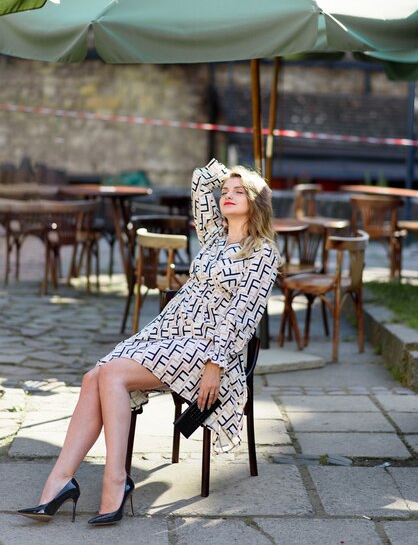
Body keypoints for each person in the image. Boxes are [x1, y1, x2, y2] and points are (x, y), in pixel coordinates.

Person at [18, 158, 279, 526]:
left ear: (256, 201)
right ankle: (59, 481)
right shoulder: (215, 237)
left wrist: (214, 364)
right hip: (167, 333)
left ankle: (115, 481)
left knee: (111, 377)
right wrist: (231, 175)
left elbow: (242, 317)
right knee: (94, 376)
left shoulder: (262, 254)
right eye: (226, 193)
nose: (228, 196)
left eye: (240, 192)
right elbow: (201, 179)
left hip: (207, 351)